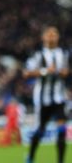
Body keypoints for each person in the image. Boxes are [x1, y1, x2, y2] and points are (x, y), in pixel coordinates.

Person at [23, 26, 69, 163]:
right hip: (42, 100)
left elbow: (66, 71)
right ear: (43, 37)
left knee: (61, 128)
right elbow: (26, 73)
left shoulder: (64, 53)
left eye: (54, 34)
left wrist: (63, 72)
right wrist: (45, 71)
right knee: (40, 130)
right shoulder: (37, 54)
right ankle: (30, 157)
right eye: (49, 34)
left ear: (58, 37)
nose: (51, 36)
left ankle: (61, 160)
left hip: (59, 97)